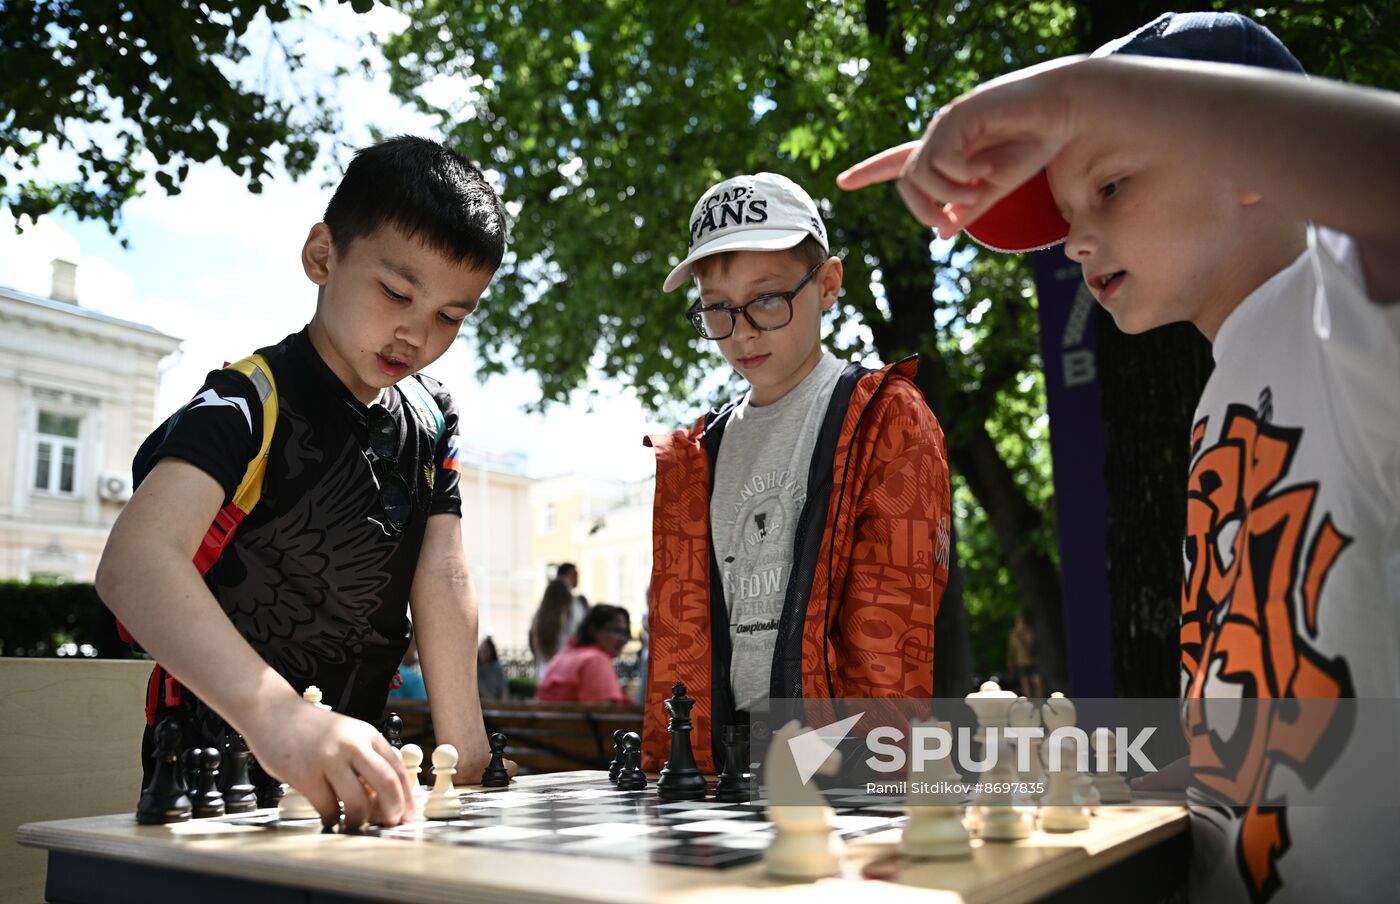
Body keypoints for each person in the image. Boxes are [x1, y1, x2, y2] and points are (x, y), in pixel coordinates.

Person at [839, 12, 1400, 902]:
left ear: (1253, 164)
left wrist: (1073, 95)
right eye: (1066, 212)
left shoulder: (1345, 320)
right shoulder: (1229, 385)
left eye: (1110, 186)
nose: (1075, 239)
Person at [96, 135, 517, 828]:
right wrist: (275, 715)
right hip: (213, 772)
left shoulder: (434, 416)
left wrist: (462, 740)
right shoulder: (247, 400)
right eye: (396, 292)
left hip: (359, 772)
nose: (416, 333)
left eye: (451, 315)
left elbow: (442, 574)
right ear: (324, 255)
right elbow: (134, 562)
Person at [644, 172, 952, 773]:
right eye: (716, 309)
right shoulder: (695, 454)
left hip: (843, 761)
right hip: (723, 760)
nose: (743, 331)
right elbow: (683, 644)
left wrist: (865, 766)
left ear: (828, 283)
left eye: (767, 298)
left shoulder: (885, 418)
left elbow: (892, 631)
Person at [536, 604, 634, 705]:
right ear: (593, 629)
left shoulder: (564, 655)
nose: (624, 639)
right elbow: (605, 713)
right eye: (616, 631)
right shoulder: (595, 659)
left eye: (626, 633)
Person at [528, 578, 576, 680]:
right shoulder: (570, 615)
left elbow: (532, 645)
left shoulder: (538, 618)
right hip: (566, 673)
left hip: (544, 675)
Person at [1005, 614, 1042, 699]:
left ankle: (1039, 698)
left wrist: (1021, 635)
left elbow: (1031, 645)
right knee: (1024, 682)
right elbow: (1011, 650)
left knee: (1036, 681)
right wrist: (1010, 663)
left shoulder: (1028, 632)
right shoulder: (1013, 634)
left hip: (1031, 660)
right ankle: (1028, 700)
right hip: (1020, 661)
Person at [476, 636, 507, 702]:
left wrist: (504, 704)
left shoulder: (498, 668)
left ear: (491, 652)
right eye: (481, 651)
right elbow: (479, 689)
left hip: (496, 703)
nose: (483, 654)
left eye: (486, 651)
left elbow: (504, 689)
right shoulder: (476, 668)